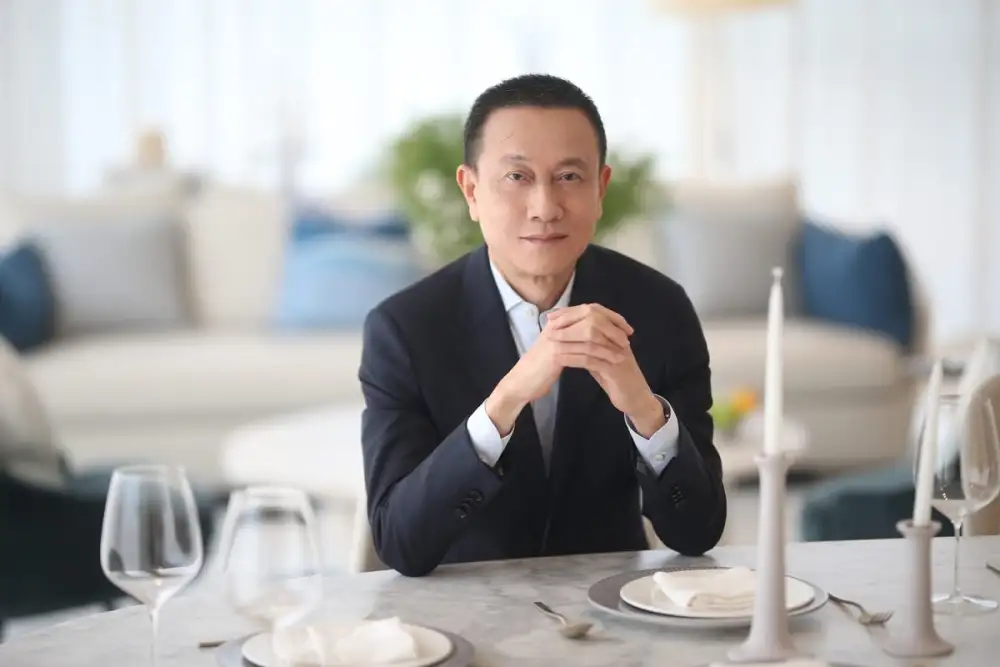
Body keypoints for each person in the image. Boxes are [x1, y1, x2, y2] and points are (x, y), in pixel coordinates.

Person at [359, 74, 726, 577]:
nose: (545, 208)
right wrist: (504, 403)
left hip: (612, 604)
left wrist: (644, 410)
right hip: (469, 608)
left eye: (569, 177)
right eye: (517, 177)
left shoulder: (660, 309)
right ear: (471, 190)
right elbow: (399, 542)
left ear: (600, 188)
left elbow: (699, 532)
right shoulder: (404, 330)